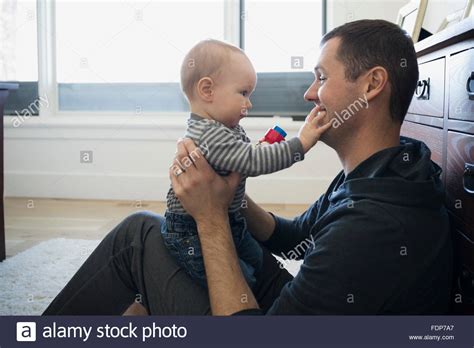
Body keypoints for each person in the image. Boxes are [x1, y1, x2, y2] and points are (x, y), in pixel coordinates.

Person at [42, 19, 453, 316]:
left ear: (371, 85)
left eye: (321, 77)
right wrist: (225, 191)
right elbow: (292, 237)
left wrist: (210, 217)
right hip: (295, 302)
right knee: (153, 249)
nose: (310, 93)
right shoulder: (382, 171)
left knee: (137, 236)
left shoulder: (375, 224)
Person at [163, 39, 330, 290]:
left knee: (259, 263)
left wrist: (259, 147)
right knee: (243, 279)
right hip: (191, 231)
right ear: (207, 90)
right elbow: (251, 162)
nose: (248, 104)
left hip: (233, 220)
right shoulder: (209, 134)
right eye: (243, 93)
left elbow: (244, 155)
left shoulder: (224, 128)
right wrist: (301, 144)